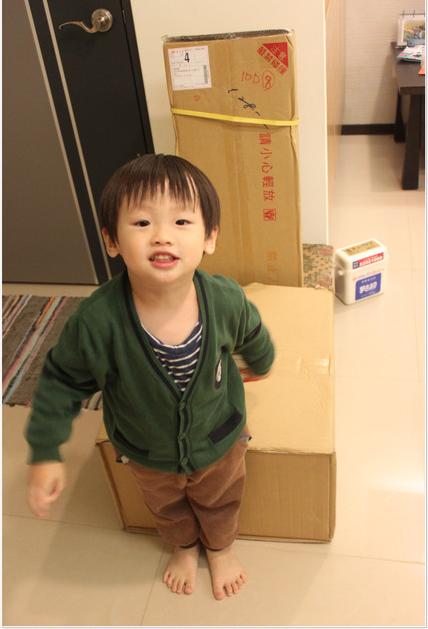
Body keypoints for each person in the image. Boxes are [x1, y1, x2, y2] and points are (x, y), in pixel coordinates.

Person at [25, 154, 275, 600]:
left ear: (209, 237)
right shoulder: (97, 321)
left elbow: (251, 331)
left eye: (181, 221)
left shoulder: (225, 299)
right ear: (111, 240)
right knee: (166, 505)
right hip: (146, 450)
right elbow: (60, 384)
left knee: (221, 498)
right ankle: (183, 545)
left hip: (219, 436)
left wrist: (262, 359)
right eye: (142, 223)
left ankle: (220, 547)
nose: (162, 235)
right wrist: (45, 452)